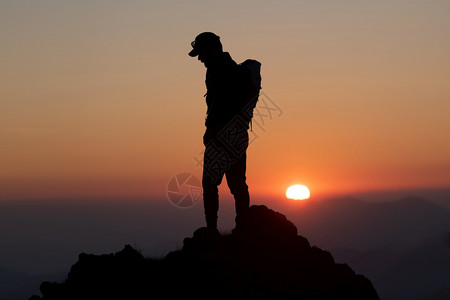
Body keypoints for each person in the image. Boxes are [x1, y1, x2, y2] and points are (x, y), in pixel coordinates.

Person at [188, 32, 251, 231]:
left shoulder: (220, 71)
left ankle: (212, 231)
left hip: (223, 137)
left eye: (201, 53)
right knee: (238, 184)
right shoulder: (229, 68)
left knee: (210, 183)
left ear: (212, 49)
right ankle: (242, 228)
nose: (200, 58)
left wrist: (212, 134)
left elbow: (221, 108)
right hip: (237, 136)